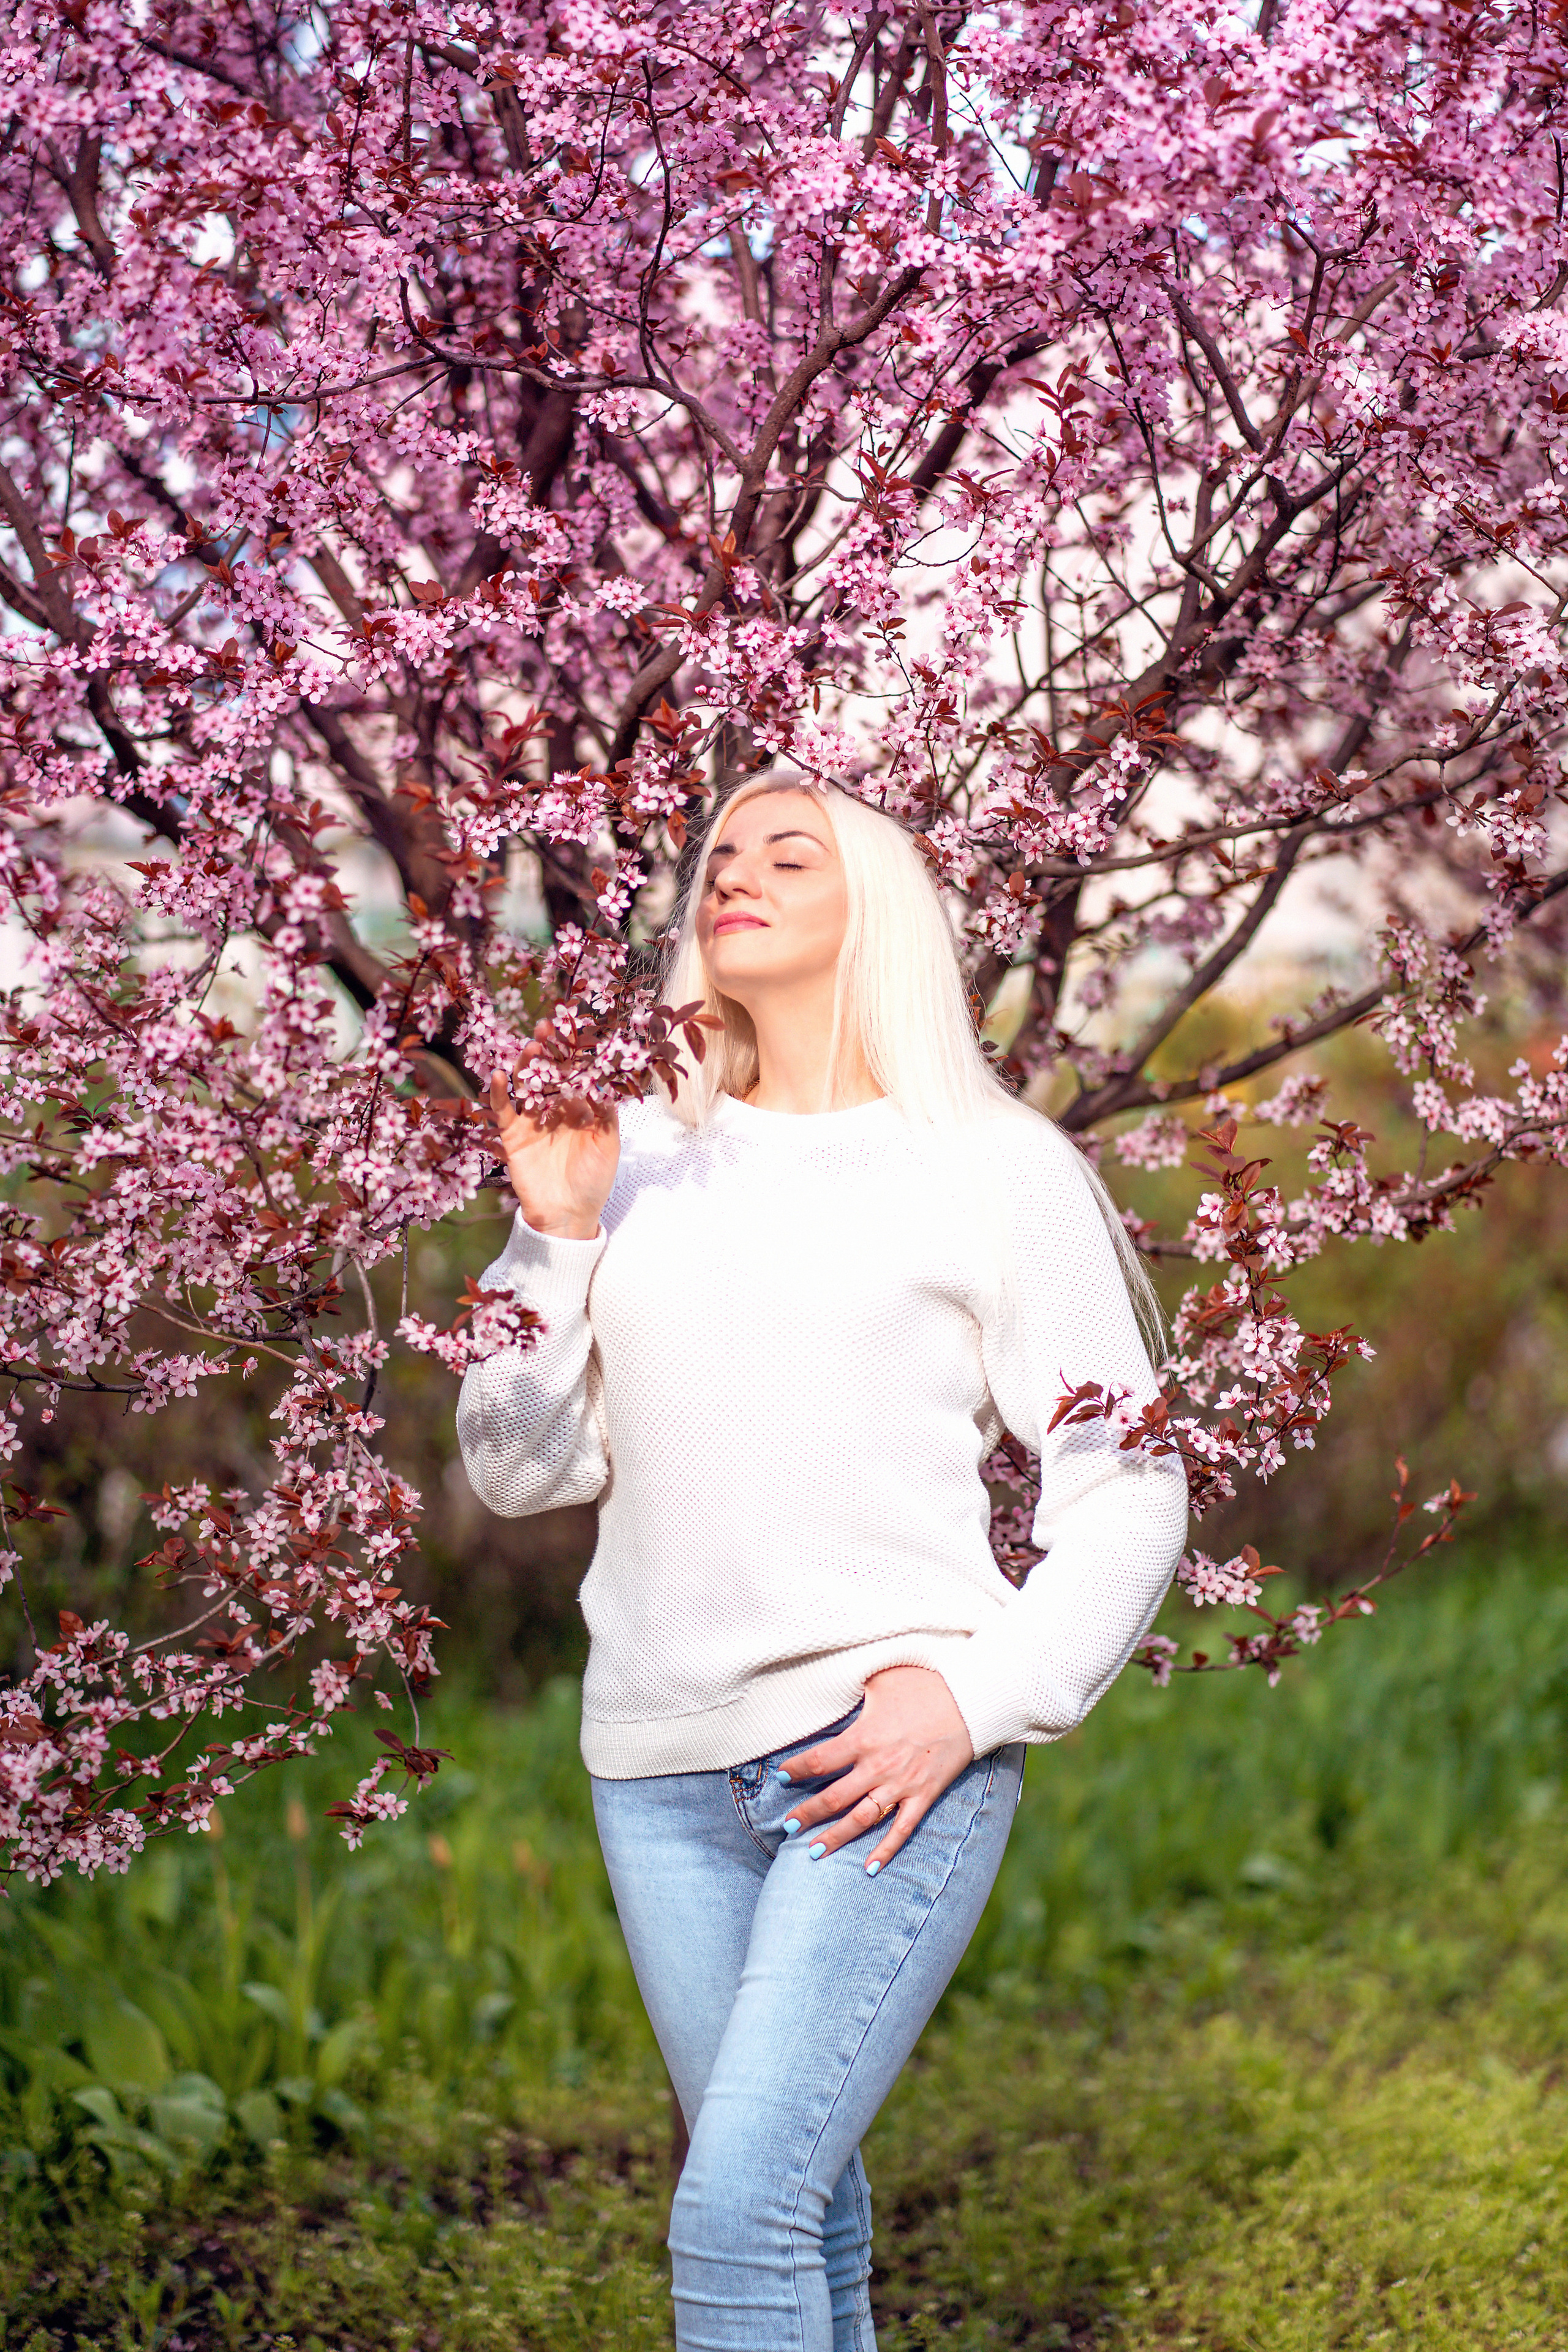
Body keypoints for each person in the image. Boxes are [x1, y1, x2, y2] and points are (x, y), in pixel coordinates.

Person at [458, 772, 1188, 2352]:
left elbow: (1127, 1485)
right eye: (721, 855)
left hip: (880, 1755)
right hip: (655, 1774)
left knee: (738, 2220)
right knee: (806, 2217)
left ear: (886, 915)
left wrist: (985, 1696)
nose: (739, 874)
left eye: (793, 854)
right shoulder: (630, 1158)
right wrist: (554, 1233)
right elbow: (519, 1467)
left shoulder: (991, 1167)